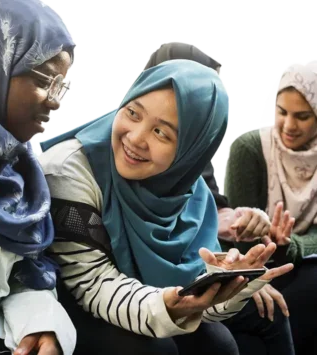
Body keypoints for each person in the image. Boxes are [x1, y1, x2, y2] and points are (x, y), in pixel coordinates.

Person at [38, 56, 293, 355]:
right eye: (132, 112)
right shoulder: (69, 170)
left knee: (221, 343)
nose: (135, 138)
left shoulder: (187, 188)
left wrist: (233, 284)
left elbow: (195, 298)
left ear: (192, 149)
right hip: (68, 298)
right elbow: (93, 285)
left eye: (162, 132)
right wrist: (167, 307)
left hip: (141, 300)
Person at [142, 40, 296, 355]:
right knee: (218, 342)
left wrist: (239, 223)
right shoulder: (131, 141)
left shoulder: (196, 141)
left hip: (196, 269)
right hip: (143, 280)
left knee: (270, 311)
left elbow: (214, 207)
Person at [0, 0, 77, 354]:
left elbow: (24, 274)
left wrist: (42, 325)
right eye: (45, 81)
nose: (56, 102)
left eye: (62, 86)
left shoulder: (22, 170)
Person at [223, 61, 317, 354]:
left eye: (302, 116)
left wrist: (289, 245)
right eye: (282, 112)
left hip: (300, 261)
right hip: (249, 264)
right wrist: (264, 235)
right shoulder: (250, 148)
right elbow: (236, 233)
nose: (289, 125)